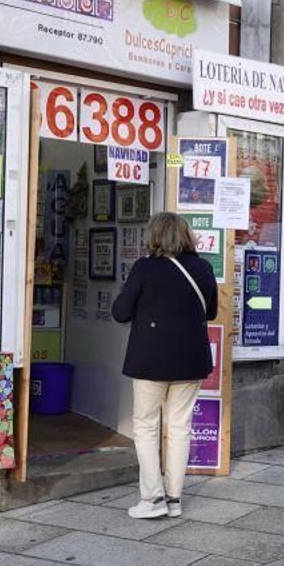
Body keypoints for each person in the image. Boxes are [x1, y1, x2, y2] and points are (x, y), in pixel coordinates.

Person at [113, 212, 219, 520]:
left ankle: (153, 497)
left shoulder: (145, 267)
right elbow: (211, 311)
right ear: (186, 235)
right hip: (191, 359)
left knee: (146, 426)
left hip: (151, 359)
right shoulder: (203, 267)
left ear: (154, 235)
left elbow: (120, 312)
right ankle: (174, 499)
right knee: (179, 427)